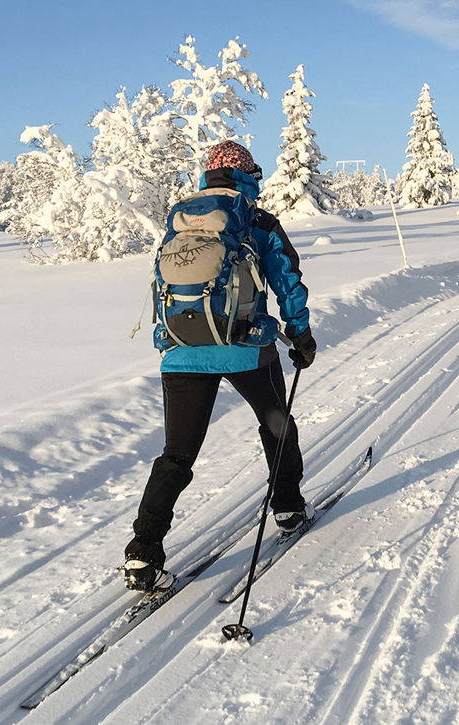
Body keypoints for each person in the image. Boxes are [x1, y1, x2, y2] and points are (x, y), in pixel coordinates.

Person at [122, 140, 319, 591]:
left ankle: (143, 553)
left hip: (181, 350)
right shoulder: (256, 219)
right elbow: (287, 279)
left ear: (208, 174)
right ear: (249, 174)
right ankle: (287, 507)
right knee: (277, 425)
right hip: (245, 346)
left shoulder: (182, 218)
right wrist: (301, 335)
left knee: (177, 454)